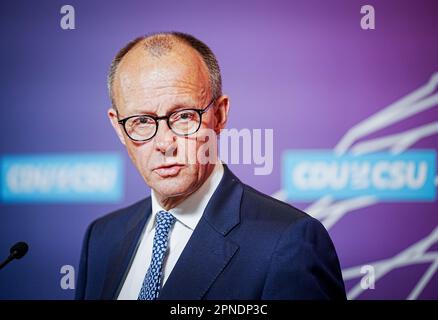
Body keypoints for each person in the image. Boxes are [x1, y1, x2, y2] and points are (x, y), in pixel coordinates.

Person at [75, 31, 346, 300]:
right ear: (118, 127)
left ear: (220, 114)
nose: (165, 144)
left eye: (184, 116)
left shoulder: (288, 243)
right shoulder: (101, 238)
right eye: (142, 121)